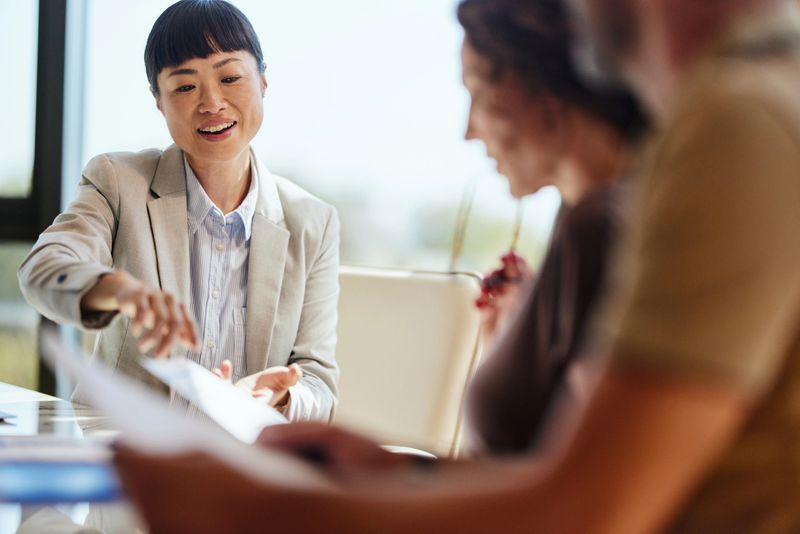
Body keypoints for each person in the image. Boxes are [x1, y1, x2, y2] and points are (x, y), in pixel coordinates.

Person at [115, 0, 800, 532]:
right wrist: (401, 475)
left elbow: (585, 512)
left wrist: (257, 511)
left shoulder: (739, 124)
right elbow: (578, 474)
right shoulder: (721, 127)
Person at [18, 0, 340, 421]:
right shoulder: (118, 180)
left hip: (240, 464)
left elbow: (318, 382)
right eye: (185, 87)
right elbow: (42, 268)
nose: (212, 103)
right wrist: (117, 289)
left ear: (263, 81)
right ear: (159, 101)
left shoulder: (312, 222)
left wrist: (277, 399)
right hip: (124, 449)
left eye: (230, 77)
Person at [457, 0, 644, 455]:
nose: (469, 131)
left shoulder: (598, 225)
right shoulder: (592, 219)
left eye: (478, 95)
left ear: (543, 91)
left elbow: (587, 483)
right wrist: (523, 339)